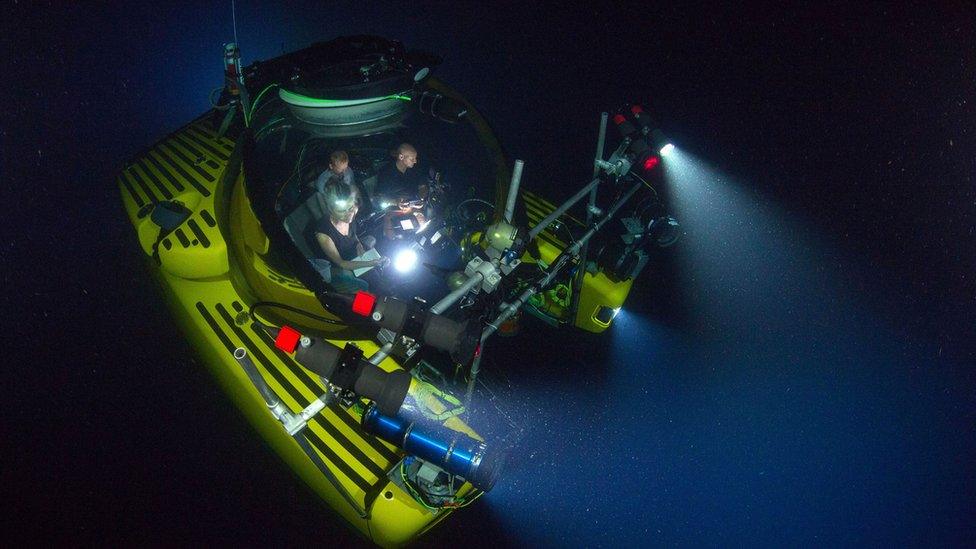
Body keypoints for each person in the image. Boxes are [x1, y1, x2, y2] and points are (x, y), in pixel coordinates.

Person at [311, 178, 387, 293]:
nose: (349, 214)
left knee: (381, 272)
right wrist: (370, 263)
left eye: (351, 208)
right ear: (330, 209)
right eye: (342, 211)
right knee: (371, 283)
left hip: (355, 254)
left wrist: (358, 244)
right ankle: (363, 309)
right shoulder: (324, 234)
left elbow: (353, 234)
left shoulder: (351, 213)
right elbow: (341, 263)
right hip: (342, 266)